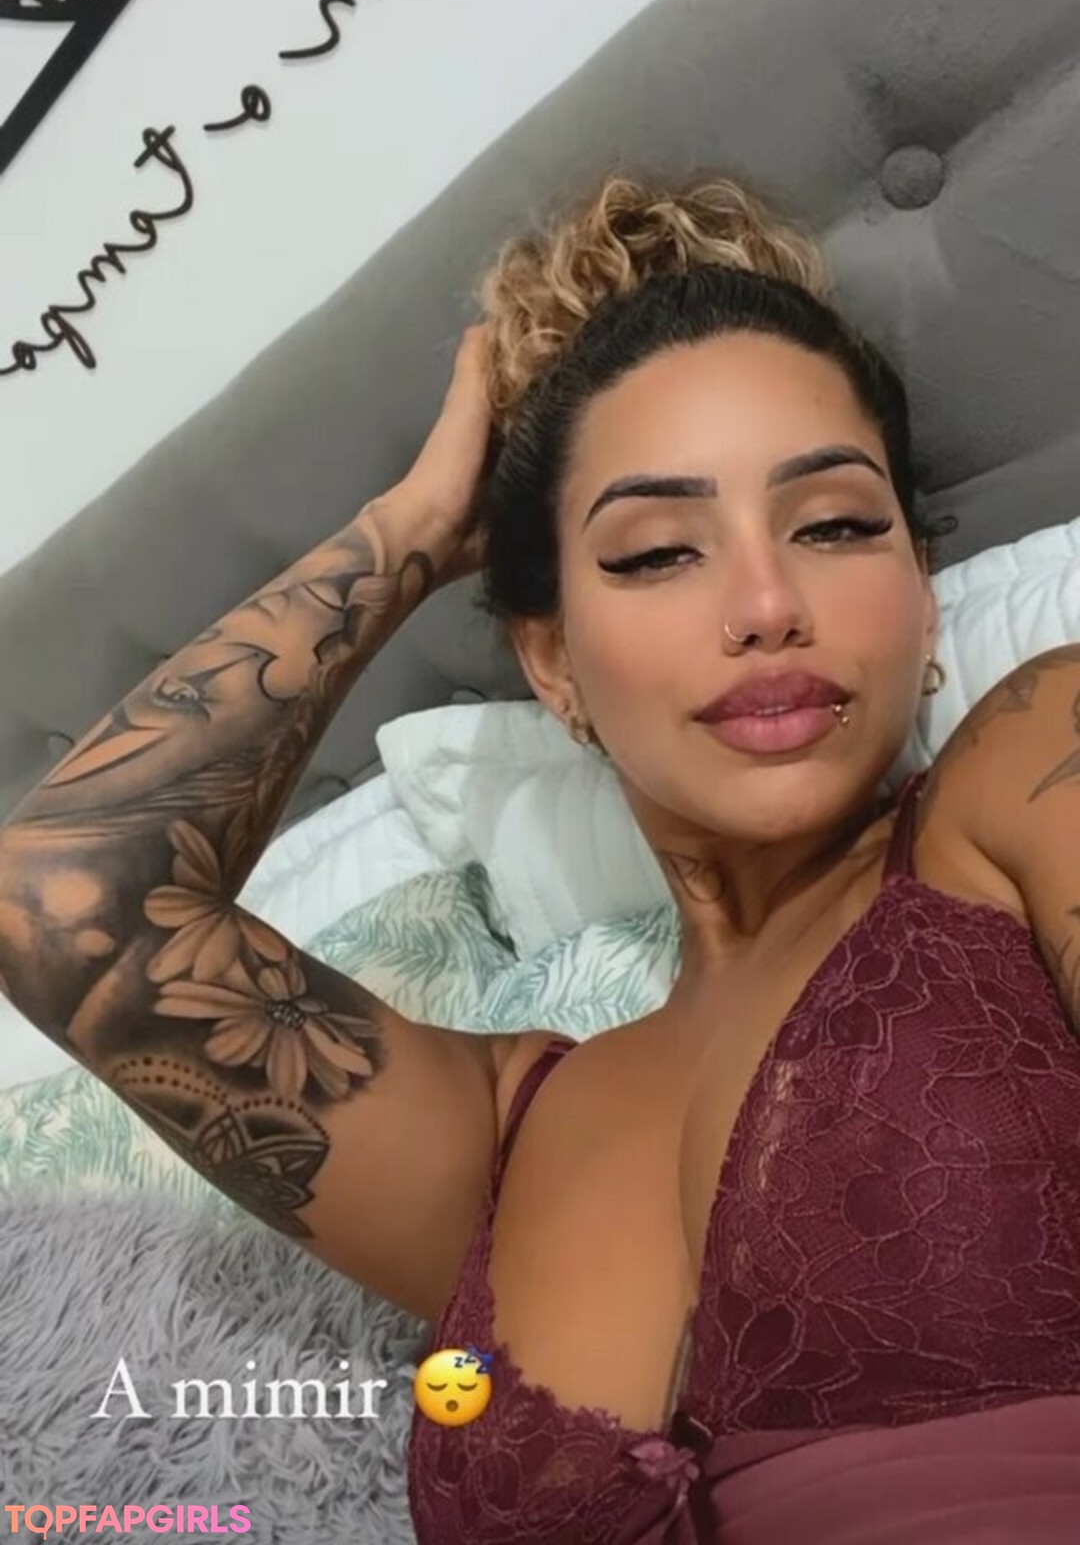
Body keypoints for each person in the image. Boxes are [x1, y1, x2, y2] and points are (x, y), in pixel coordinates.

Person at [1, 170, 1079, 1543]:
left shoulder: (1034, 768)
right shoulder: (494, 1144)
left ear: (922, 593)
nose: (767, 603)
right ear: (552, 663)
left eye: (834, 525)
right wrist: (412, 531)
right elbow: (62, 905)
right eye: (656, 551)